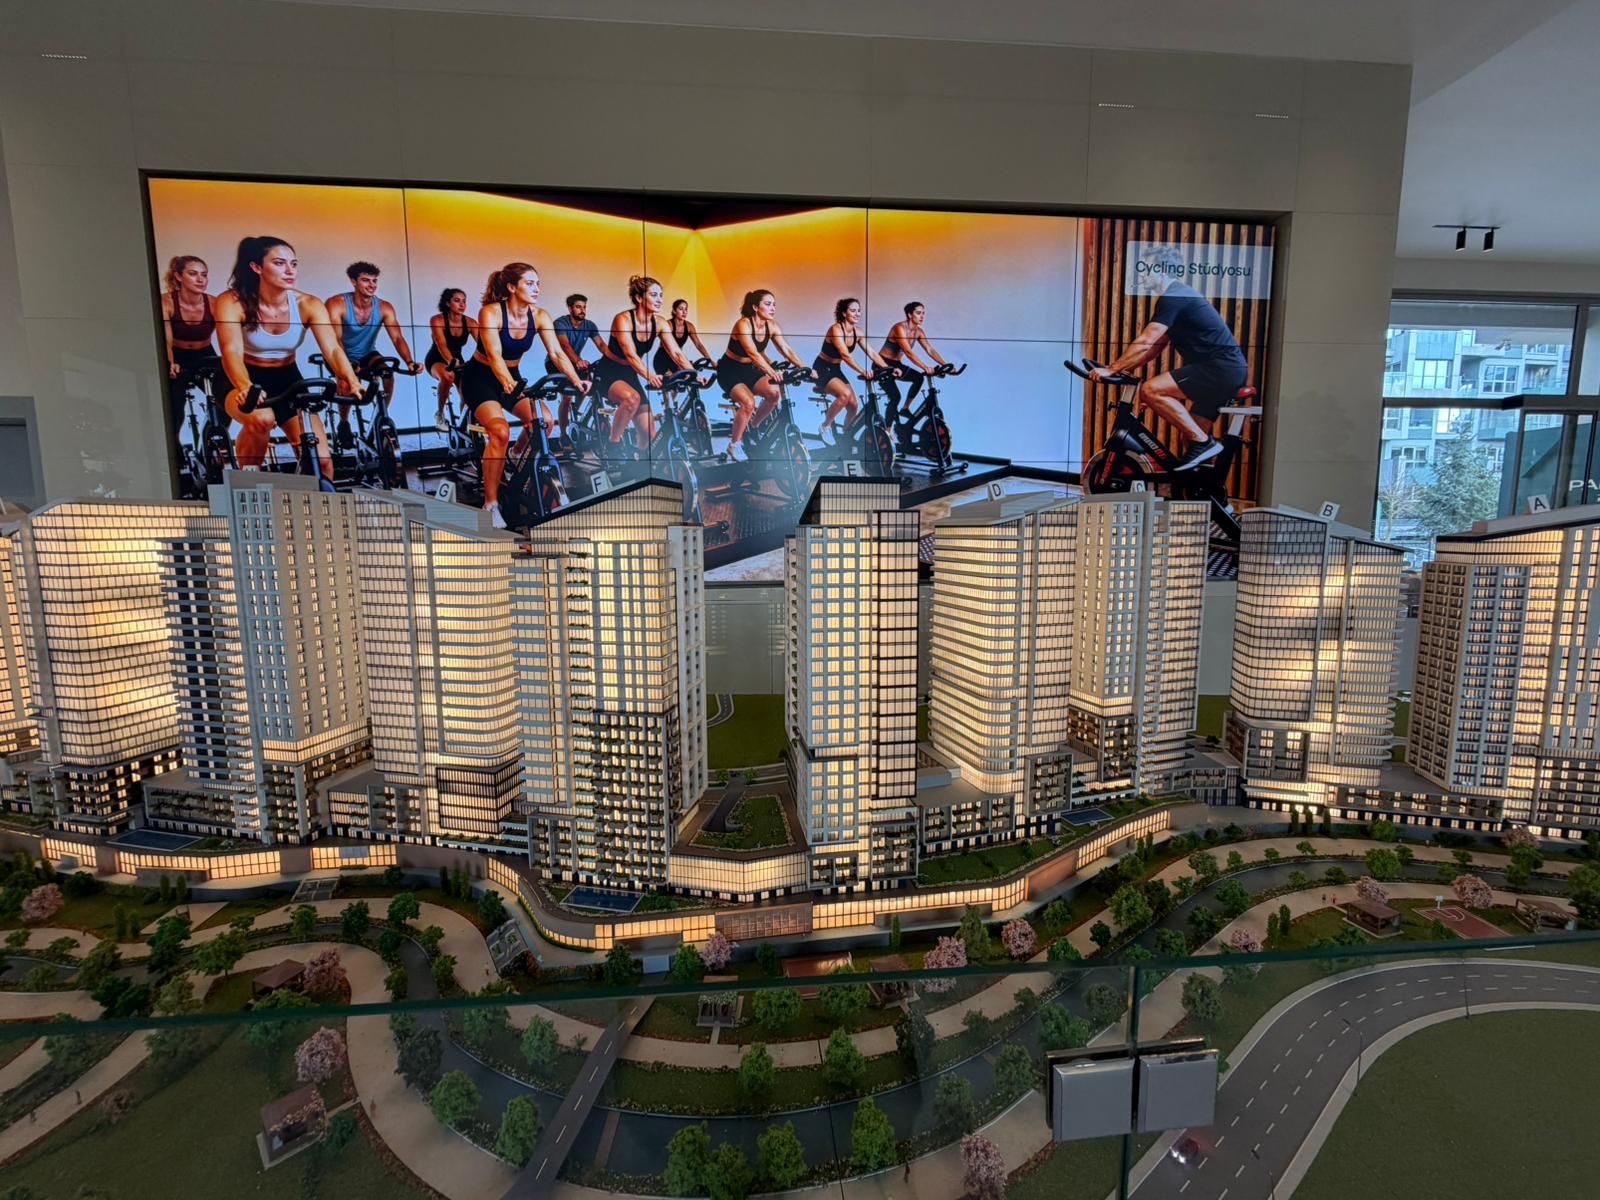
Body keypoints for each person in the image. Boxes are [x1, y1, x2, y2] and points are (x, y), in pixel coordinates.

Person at [214, 236, 362, 479]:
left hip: (287, 377)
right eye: (279, 263)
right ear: (256, 267)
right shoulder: (231, 302)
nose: (290, 270)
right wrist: (245, 386)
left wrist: (352, 380)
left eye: (293, 264)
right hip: (242, 375)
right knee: (262, 419)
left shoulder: (308, 304)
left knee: (322, 461)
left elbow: (333, 349)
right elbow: (231, 350)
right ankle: (248, 480)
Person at [457, 262, 589, 528]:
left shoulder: (539, 315)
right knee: (500, 431)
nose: (536, 288)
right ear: (511, 287)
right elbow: (494, 355)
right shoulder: (491, 313)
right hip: (480, 377)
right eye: (529, 283)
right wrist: (506, 382)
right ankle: (491, 504)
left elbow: (556, 353)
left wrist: (576, 380)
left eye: (538, 283)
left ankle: (517, 454)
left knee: (545, 421)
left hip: (512, 376)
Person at [1089, 253, 1249, 470]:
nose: (1141, 275)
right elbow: (1154, 348)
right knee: (1189, 441)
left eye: (1146, 269)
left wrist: (1112, 369)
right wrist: (1122, 369)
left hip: (1218, 369)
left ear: (1162, 270)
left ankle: (1204, 442)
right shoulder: (1178, 296)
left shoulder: (1174, 296)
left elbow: (1147, 340)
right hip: (1225, 370)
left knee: (1151, 390)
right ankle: (1203, 484)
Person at [589, 276, 696, 454]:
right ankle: (613, 445)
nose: (659, 300)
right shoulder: (623, 319)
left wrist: (693, 374)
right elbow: (630, 354)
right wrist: (650, 376)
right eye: (654, 295)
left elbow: (676, 353)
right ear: (639, 298)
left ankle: (640, 462)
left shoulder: (660, 323)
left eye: (661, 295)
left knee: (649, 434)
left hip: (629, 373)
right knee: (632, 399)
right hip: (609, 371)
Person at [326, 261, 420, 446]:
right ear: (353, 282)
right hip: (338, 353)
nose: (371, 285)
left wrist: (409, 361)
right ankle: (344, 423)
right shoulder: (336, 304)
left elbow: (397, 338)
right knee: (344, 383)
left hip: (367, 354)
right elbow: (336, 340)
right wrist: (347, 367)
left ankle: (380, 416)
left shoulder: (384, 307)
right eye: (365, 280)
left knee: (388, 374)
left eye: (374, 281)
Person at [715, 289, 812, 463]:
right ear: (755, 307)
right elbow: (753, 353)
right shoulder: (743, 324)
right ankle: (734, 444)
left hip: (749, 369)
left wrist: (805, 368)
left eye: (774, 304)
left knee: (774, 393)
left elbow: (786, 349)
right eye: (767, 304)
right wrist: (771, 372)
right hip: (730, 369)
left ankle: (753, 427)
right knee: (748, 403)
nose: (772, 308)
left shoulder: (772, 326)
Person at [812, 298, 899, 445]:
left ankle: (846, 438)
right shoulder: (835, 329)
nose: (857, 313)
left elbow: (872, 353)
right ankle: (825, 426)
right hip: (822, 368)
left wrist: (888, 368)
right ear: (844, 313)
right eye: (853, 310)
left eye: (859, 310)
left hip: (835, 369)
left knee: (853, 406)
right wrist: (862, 370)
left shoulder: (858, 332)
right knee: (844, 394)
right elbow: (845, 355)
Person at [161, 255, 220, 428]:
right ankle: (175, 442)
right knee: (175, 404)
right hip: (177, 355)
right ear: (179, 276)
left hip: (205, 354)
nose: (200, 279)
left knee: (225, 399)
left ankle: (210, 438)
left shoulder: (215, 303)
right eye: (193, 274)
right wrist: (170, 362)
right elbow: (166, 340)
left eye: (204, 275)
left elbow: (228, 337)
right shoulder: (167, 302)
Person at [879, 301, 949, 427]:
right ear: (910, 314)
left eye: (923, 313)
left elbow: (930, 350)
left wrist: (945, 365)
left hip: (896, 364)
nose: (922, 316)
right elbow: (908, 352)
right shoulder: (899, 328)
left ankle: (905, 409)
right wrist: (925, 367)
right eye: (918, 313)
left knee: (918, 378)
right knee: (895, 397)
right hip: (882, 364)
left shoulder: (919, 332)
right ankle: (887, 431)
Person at [547, 294, 601, 442]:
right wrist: (578, 360)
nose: (582, 310)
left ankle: (574, 410)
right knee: (566, 397)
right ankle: (563, 435)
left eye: (584, 307)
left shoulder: (589, 325)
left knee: (587, 385)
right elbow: (564, 346)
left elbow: (601, 345)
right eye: (578, 307)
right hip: (557, 363)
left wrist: (614, 359)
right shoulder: (560, 323)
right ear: (570, 309)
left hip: (576, 362)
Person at [425, 287, 478, 431]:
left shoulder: (471, 323)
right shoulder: (437, 320)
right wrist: (450, 360)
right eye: (457, 301)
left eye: (464, 301)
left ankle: (465, 425)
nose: (462, 304)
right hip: (437, 358)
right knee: (448, 376)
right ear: (448, 303)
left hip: (458, 359)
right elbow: (441, 344)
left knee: (466, 391)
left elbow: (484, 345)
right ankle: (440, 414)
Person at [652, 298, 715, 376]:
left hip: (676, 360)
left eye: (686, 309)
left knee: (688, 379)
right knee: (674, 382)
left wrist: (711, 361)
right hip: (662, 360)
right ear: (674, 311)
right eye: (681, 309)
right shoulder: (668, 325)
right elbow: (669, 348)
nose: (684, 312)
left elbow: (698, 344)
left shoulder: (689, 326)